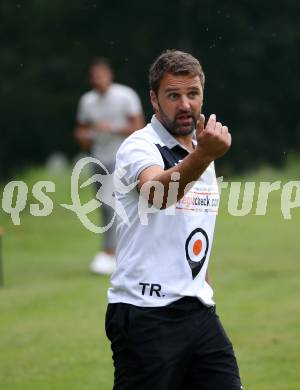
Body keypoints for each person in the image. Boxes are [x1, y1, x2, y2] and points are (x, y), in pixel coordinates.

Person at [105, 50, 243, 389]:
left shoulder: (200, 149)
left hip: (197, 309)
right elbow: (157, 193)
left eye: (192, 94)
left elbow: (191, 226)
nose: (185, 104)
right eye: (173, 95)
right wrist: (203, 156)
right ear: (154, 99)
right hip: (145, 313)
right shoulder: (139, 146)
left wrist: (201, 282)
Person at [75, 58, 145, 275]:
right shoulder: (87, 101)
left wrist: (111, 128)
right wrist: (84, 137)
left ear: (109, 75)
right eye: (94, 77)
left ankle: (114, 252)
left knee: (115, 204)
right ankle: (112, 252)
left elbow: (138, 126)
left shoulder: (125, 95)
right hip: (98, 158)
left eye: (101, 75)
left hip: (122, 158)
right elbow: (81, 130)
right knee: (104, 207)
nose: (98, 80)